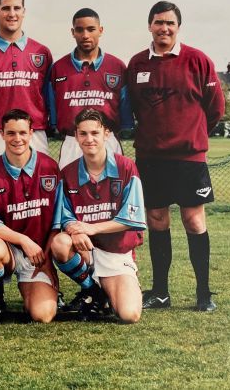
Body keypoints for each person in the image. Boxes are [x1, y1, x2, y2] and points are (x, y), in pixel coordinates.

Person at [126, 1, 225, 312]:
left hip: (188, 157)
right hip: (151, 157)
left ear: (178, 27)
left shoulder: (197, 60)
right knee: (157, 220)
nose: (164, 28)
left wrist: (191, 136)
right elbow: (135, 109)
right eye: (158, 22)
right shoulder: (138, 64)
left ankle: (203, 294)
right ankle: (161, 292)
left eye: (169, 23)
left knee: (193, 220)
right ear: (150, 26)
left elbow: (216, 108)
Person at [51, 109, 146, 323]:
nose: (89, 139)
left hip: (116, 252)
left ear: (107, 133)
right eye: (83, 134)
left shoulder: (126, 167)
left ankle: (109, 290)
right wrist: (75, 230)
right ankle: (92, 289)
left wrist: (92, 228)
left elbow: (132, 218)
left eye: (95, 132)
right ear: (76, 136)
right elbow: (65, 216)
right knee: (60, 243)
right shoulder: (68, 172)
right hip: (85, 248)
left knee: (129, 314)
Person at [0, 109, 60, 323]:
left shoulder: (50, 167)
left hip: (38, 254)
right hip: (8, 249)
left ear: (31, 133)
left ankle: (46, 289)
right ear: (1, 134)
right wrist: (23, 240)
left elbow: (58, 220)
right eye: (11, 133)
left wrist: (46, 257)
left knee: (43, 315)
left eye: (22, 132)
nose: (17, 139)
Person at [0, 0, 53, 165]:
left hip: (35, 132)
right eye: (5, 8)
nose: (12, 14)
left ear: (24, 12)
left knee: (38, 187)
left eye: (17, 8)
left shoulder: (41, 52)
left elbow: (48, 98)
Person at [49, 8, 132, 168]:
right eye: (79, 30)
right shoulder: (58, 68)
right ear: (73, 32)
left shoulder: (116, 66)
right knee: (70, 191)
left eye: (91, 29)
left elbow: (124, 110)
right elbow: (54, 109)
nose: (85, 35)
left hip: (107, 139)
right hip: (73, 142)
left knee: (112, 190)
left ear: (100, 30)